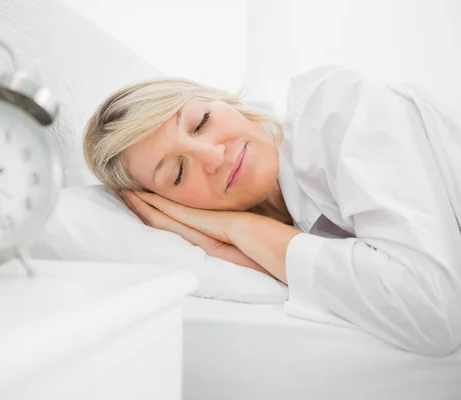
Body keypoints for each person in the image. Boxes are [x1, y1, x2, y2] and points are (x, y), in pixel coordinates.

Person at [83, 65, 461, 356]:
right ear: (170, 207)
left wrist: (239, 227)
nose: (216, 156)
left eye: (201, 122)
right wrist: (225, 249)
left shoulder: (336, 108)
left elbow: (431, 310)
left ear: (224, 102)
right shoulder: (278, 227)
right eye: (179, 172)